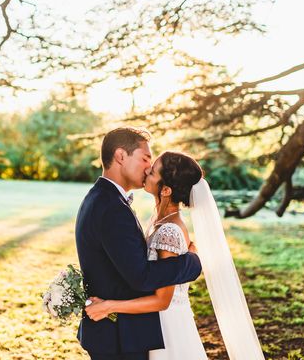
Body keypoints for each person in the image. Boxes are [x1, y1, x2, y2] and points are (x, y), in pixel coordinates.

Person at [85, 151, 265, 360]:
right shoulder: (159, 221)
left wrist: (109, 306)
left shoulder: (169, 231)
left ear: (167, 190)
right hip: (156, 324)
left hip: (168, 328)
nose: (146, 171)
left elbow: (162, 301)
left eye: (152, 172)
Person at [75, 128, 202, 360]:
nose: (147, 168)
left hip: (127, 333)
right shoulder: (112, 207)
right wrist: (192, 263)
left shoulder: (103, 198)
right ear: (121, 156)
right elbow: (141, 277)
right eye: (145, 159)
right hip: (119, 337)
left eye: (152, 166)